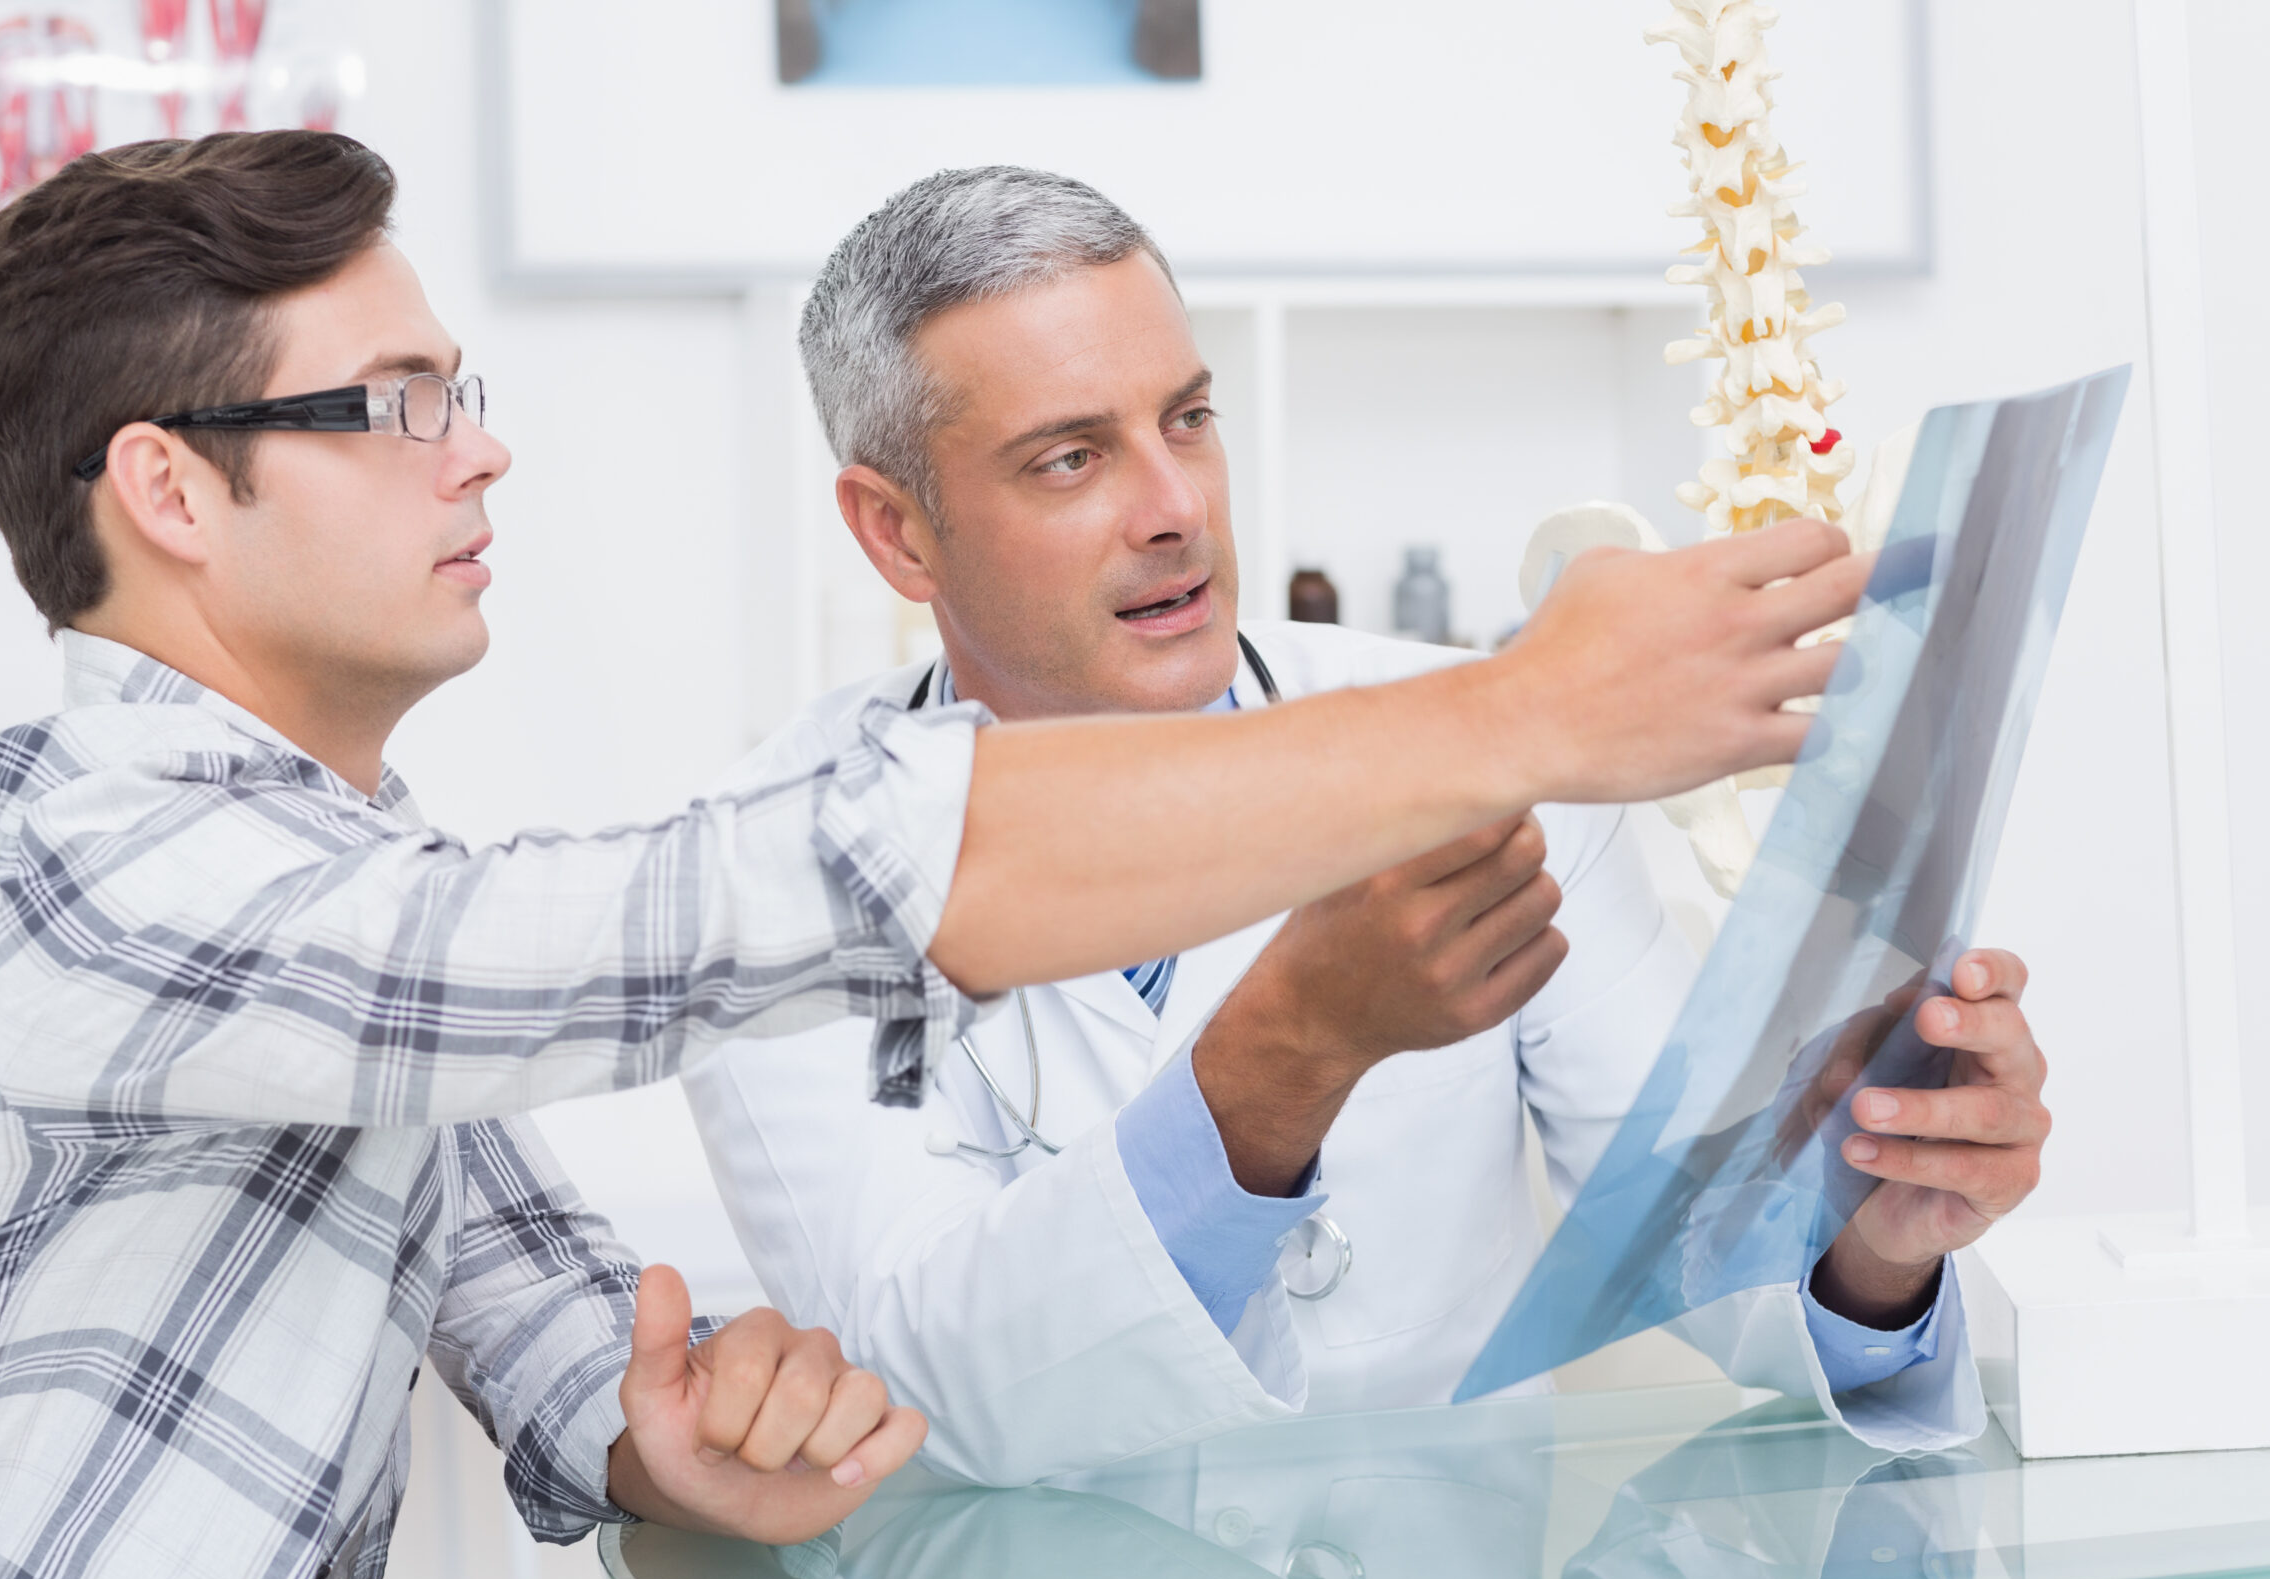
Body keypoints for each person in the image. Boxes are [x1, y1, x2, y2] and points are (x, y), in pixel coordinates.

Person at [0, 135, 1865, 1579]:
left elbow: (552, 1320)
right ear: (171, 491)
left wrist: (688, 1418)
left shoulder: (319, 892)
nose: (481, 458)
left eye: (464, 389)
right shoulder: (99, 874)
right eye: (399, 408)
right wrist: (1516, 713)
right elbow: (750, 902)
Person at [682, 166, 2053, 1485]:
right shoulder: (769, 875)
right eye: (1069, 459)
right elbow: (923, 1395)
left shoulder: (1484, 739)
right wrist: (1294, 1046)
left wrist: (1876, 1232)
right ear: (898, 532)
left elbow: (1686, 1251)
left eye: (1190, 418)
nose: (1176, 510)